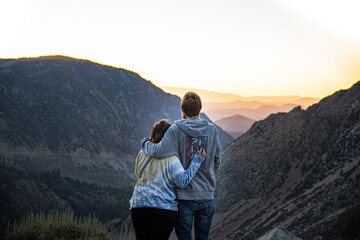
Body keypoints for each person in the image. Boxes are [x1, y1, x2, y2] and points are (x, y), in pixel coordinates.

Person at [141, 92, 221, 240]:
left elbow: (157, 152)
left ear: (182, 109)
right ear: (200, 108)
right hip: (206, 196)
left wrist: (145, 143)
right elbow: (217, 160)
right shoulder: (212, 130)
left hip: (184, 198)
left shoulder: (175, 130)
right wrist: (206, 175)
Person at [130, 119, 207, 240]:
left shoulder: (142, 153)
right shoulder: (171, 159)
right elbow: (182, 181)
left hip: (139, 205)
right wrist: (197, 161)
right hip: (163, 208)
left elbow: (138, 174)